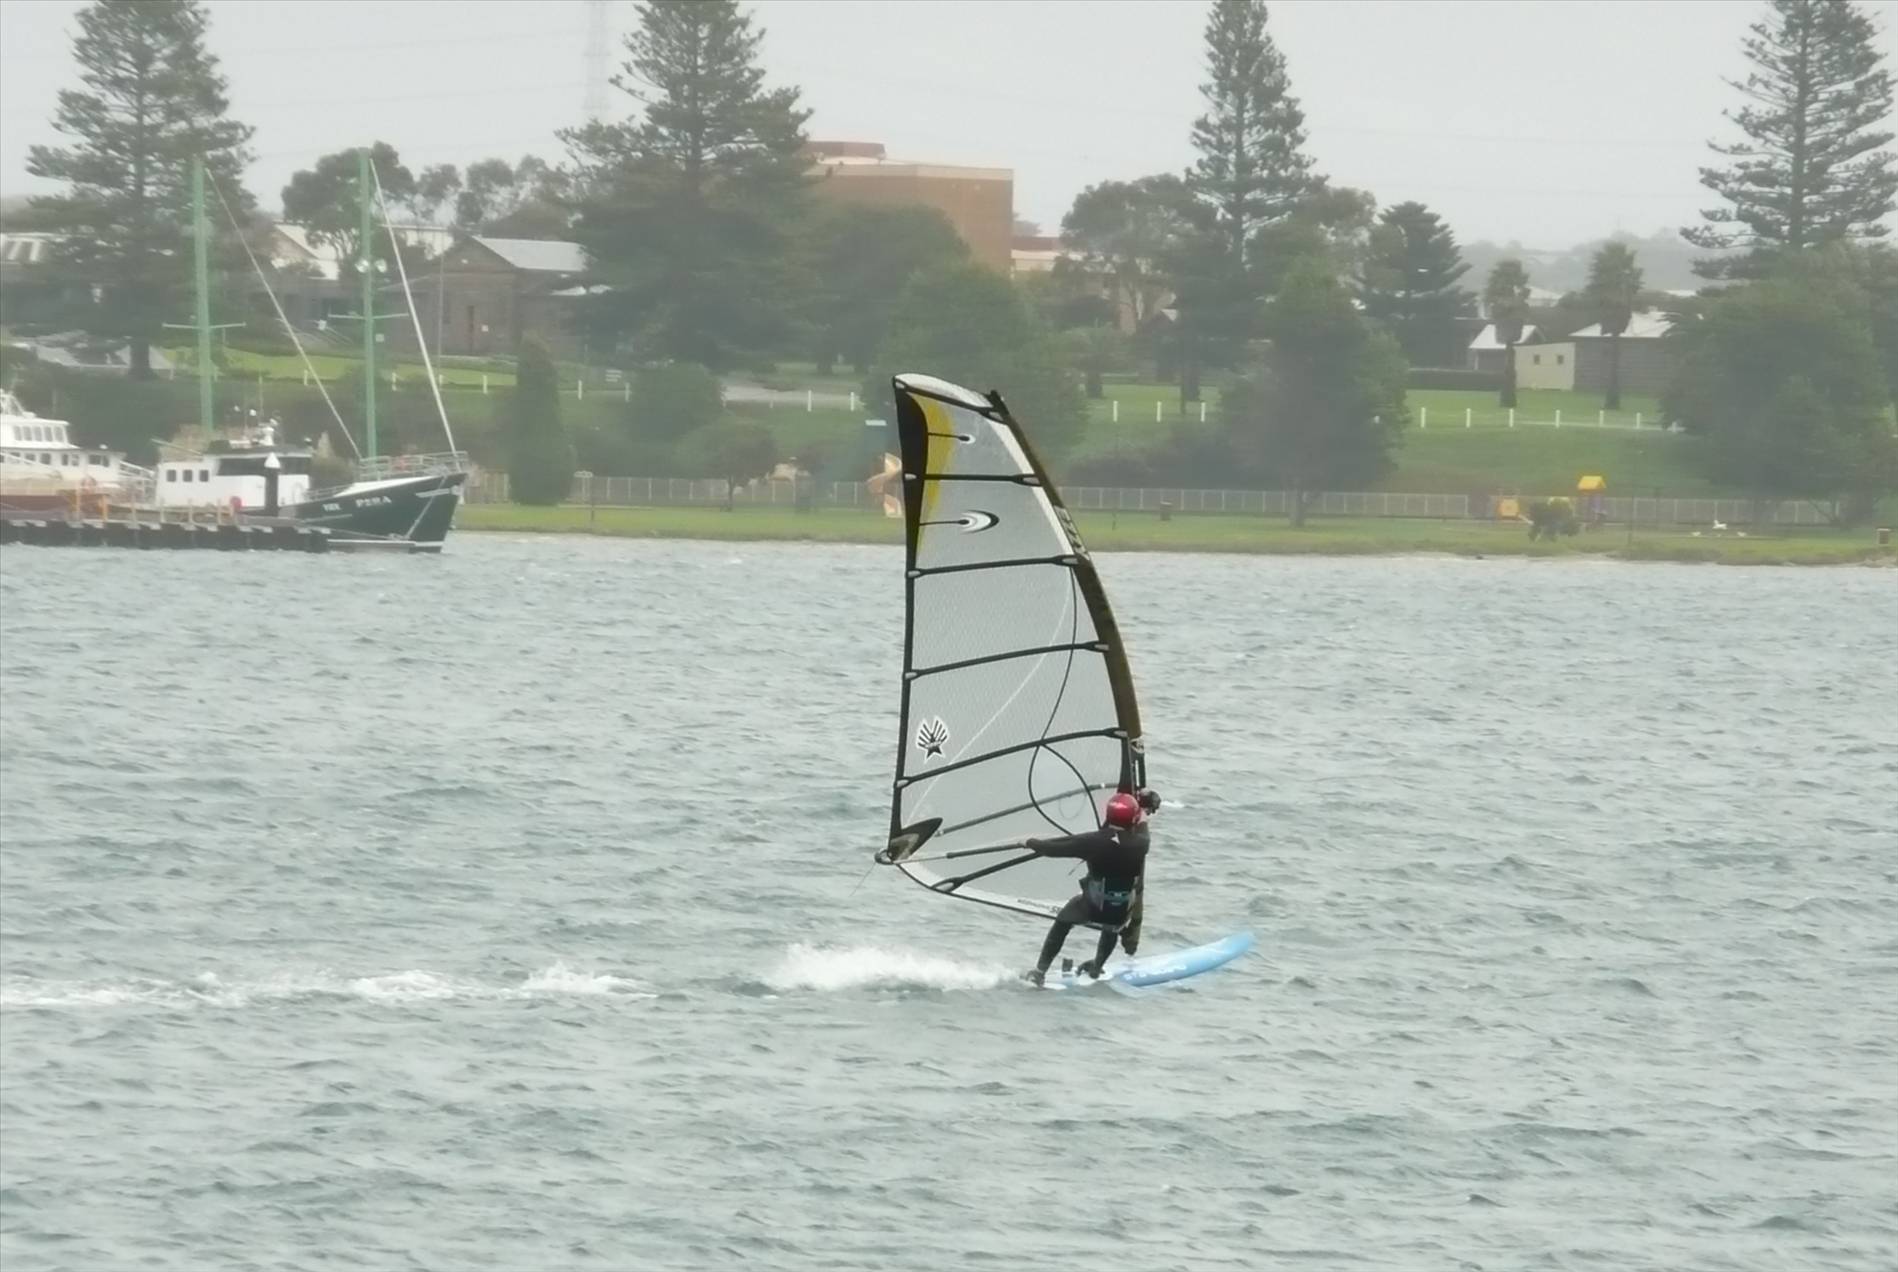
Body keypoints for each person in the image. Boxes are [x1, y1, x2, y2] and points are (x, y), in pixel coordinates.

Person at [1023, 788, 1159, 986]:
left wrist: (1030, 842)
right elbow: (1143, 823)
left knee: (1063, 920)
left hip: (1093, 907)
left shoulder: (1094, 842)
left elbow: (1053, 849)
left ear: (1108, 814)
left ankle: (1039, 971)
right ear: (1133, 818)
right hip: (1120, 911)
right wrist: (1144, 808)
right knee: (1113, 923)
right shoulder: (1141, 843)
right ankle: (1096, 966)